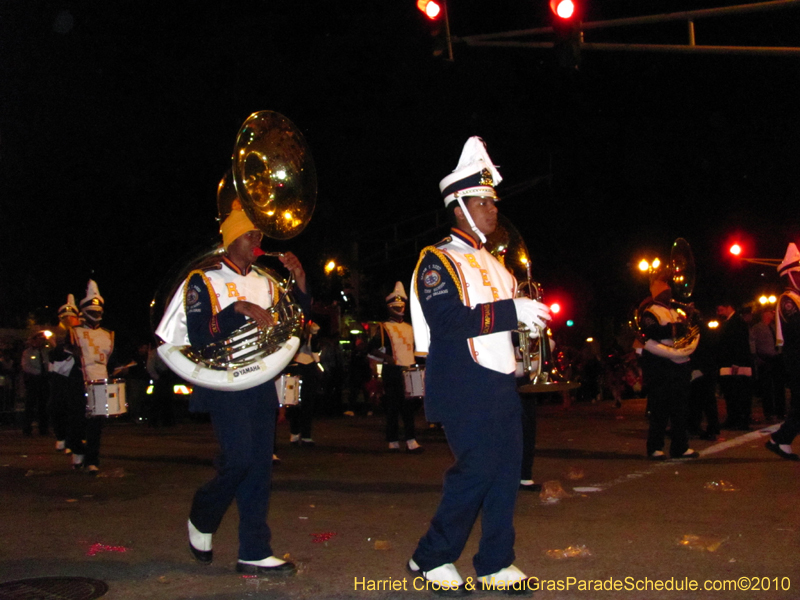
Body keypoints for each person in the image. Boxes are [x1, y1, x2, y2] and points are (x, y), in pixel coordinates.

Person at [407, 137, 551, 594]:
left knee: (506, 471)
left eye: (492, 201)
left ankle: (494, 561)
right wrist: (512, 313)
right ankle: (430, 556)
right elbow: (447, 321)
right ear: (460, 206)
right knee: (477, 469)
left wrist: (532, 324)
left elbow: (509, 324)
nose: (493, 209)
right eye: (484, 201)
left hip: (498, 382)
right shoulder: (437, 260)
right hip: (461, 380)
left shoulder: (496, 264)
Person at [155, 201, 309, 575]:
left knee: (259, 467)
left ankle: (254, 550)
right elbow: (198, 335)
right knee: (239, 459)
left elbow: (296, 319)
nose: (257, 237)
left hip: (260, 380)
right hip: (223, 381)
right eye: (249, 232)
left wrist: (301, 281)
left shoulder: (266, 279)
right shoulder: (204, 280)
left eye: (259, 232)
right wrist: (234, 310)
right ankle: (203, 513)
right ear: (229, 238)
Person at [635, 268, 699, 460]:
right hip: (660, 367)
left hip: (679, 366)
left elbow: (688, 332)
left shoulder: (675, 311)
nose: (670, 293)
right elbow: (653, 332)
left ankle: (680, 446)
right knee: (660, 409)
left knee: (680, 409)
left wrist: (690, 319)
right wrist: (678, 328)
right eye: (666, 290)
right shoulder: (650, 312)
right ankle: (655, 447)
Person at [370, 281, 423, 454]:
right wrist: (386, 357)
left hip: (409, 369)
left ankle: (411, 439)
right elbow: (370, 348)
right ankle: (393, 440)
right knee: (393, 407)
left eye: (402, 306)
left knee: (409, 408)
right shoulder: (383, 327)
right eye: (397, 306)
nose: (400, 309)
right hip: (392, 371)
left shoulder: (410, 328)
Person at [71, 280, 117, 473]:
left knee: (96, 425)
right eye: (93, 311)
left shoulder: (108, 335)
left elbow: (112, 361)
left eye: (99, 312)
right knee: (76, 421)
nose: (96, 315)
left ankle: (92, 460)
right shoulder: (74, 333)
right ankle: (78, 450)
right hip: (78, 382)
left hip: (100, 382)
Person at [766, 243, 800, 461]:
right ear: (790, 275)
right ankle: (780, 438)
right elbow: (796, 327)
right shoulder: (788, 299)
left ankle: (781, 439)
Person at [49, 295, 85, 453]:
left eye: (71, 317)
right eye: (65, 318)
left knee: (75, 410)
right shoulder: (58, 335)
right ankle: (62, 437)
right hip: (59, 377)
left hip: (76, 376)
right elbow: (54, 356)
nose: (68, 320)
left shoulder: (82, 333)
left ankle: (74, 440)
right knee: (56, 407)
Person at [716, 300, 753, 431]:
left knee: (738, 392)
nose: (718, 312)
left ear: (729, 307)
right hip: (730, 362)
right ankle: (734, 418)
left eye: (721, 309)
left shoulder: (737, 322)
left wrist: (736, 362)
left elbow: (740, 343)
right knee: (731, 392)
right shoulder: (732, 322)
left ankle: (741, 419)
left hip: (736, 363)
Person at [287, 321, 321, 446]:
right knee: (295, 402)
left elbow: (315, 350)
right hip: (298, 367)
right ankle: (296, 433)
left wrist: (313, 336)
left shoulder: (311, 337)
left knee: (307, 403)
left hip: (306, 367)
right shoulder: (296, 334)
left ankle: (304, 434)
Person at [751, 308, 785, 424]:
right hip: (764, 360)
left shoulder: (774, 327)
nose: (772, 315)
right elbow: (753, 343)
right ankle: (769, 412)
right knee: (767, 388)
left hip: (776, 359)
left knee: (779, 387)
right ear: (765, 314)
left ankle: (781, 410)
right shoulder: (757, 328)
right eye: (770, 313)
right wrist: (757, 358)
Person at [21, 331, 50, 437]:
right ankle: (27, 428)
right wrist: (39, 373)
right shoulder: (28, 352)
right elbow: (26, 366)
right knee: (30, 405)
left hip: (44, 380)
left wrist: (47, 373)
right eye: (39, 339)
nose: (41, 341)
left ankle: (43, 428)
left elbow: (49, 364)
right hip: (33, 380)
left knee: (43, 405)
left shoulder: (46, 351)